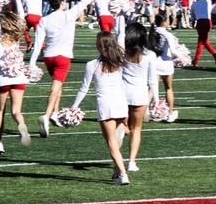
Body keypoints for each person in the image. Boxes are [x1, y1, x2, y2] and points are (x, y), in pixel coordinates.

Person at [28, 0, 97, 137]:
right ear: (62, 2)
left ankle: (55, 113)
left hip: (48, 57)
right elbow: (86, 0)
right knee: (55, 88)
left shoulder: (44, 20)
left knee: (58, 86)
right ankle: (46, 116)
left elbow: (38, 43)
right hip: (63, 57)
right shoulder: (69, 14)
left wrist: (32, 63)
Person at [70, 32, 131, 185]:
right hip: (121, 103)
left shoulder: (92, 65)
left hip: (106, 104)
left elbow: (84, 88)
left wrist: (74, 107)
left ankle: (122, 174)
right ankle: (118, 169)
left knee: (111, 142)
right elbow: (122, 35)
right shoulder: (120, 61)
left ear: (99, 46)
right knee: (116, 139)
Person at [0, 12, 31, 155]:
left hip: (2, 78)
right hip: (18, 77)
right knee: (16, 111)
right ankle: (21, 125)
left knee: (0, 111)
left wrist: (3, 63)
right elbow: (21, 15)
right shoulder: (16, 38)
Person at [121, 22, 159, 171]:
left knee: (123, 127)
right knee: (136, 129)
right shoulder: (150, 55)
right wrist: (156, 100)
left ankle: (118, 156)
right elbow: (152, 80)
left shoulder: (122, 53)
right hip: (139, 96)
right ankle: (131, 162)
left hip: (122, 95)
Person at [147, 13, 179, 122]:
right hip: (166, 64)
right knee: (168, 88)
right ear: (164, 22)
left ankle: (144, 112)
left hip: (154, 63)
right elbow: (174, 51)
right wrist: (183, 56)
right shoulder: (167, 35)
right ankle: (170, 114)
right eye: (168, 20)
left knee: (151, 89)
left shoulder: (152, 32)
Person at [190, 0, 216, 67]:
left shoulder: (194, 4)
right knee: (201, 41)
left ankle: (214, 54)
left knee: (203, 41)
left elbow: (192, 16)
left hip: (200, 22)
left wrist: (193, 23)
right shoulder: (207, 2)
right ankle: (196, 60)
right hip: (208, 21)